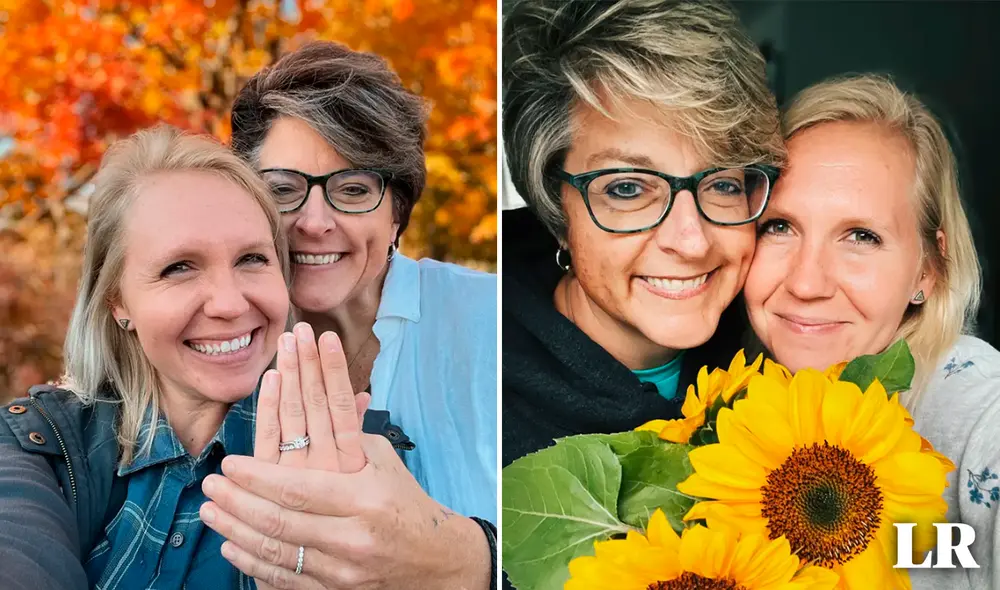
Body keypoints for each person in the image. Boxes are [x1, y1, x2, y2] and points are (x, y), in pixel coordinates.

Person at [210, 40, 497, 588]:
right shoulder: (218, 342)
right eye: (283, 190)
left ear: (398, 212)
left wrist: (467, 560)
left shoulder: (490, 323)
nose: (314, 221)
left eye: (353, 189)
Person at [0, 125, 294, 589]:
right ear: (118, 301)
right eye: (179, 267)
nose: (231, 303)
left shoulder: (354, 458)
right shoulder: (39, 446)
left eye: (252, 259)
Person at [501, 0, 785, 467]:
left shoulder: (783, 343)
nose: (692, 242)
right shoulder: (494, 400)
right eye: (628, 189)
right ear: (557, 209)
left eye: (722, 184)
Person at [743, 73, 998, 590]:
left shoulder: (977, 410)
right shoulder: (733, 403)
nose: (806, 281)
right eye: (780, 226)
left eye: (861, 236)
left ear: (929, 268)